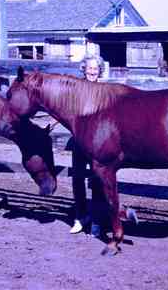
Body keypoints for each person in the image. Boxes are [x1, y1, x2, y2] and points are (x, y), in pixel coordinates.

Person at [68, 54, 138, 237]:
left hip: (98, 143)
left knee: (98, 180)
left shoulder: (104, 90)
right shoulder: (76, 88)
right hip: (78, 141)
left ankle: (97, 221)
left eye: (95, 69)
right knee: (77, 178)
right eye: (89, 68)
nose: (92, 71)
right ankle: (80, 216)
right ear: (84, 69)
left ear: (99, 71)